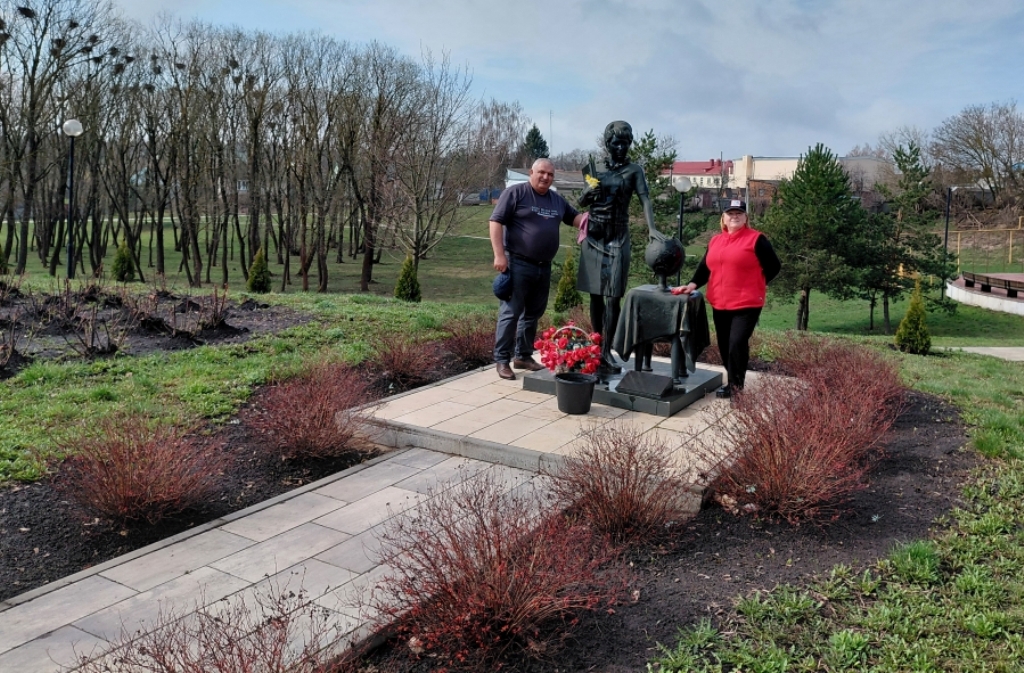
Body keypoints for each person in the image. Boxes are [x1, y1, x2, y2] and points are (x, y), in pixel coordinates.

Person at [577, 120, 666, 375]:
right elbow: (582, 201)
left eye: (625, 143)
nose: (621, 148)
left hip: (618, 235)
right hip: (594, 235)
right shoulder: (594, 168)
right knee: (595, 295)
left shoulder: (634, 170)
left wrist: (651, 228)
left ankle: (608, 350)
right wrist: (587, 193)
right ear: (607, 143)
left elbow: (645, 199)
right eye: (616, 143)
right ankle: (597, 348)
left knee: (613, 295)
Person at [672, 199, 780, 398]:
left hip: (747, 303)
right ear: (723, 217)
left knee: (736, 343)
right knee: (724, 346)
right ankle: (733, 379)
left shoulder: (756, 239)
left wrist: (756, 283)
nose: (734, 216)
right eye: (730, 213)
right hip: (720, 303)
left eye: (739, 213)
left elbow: (774, 266)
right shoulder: (715, 241)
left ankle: (736, 388)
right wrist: (692, 285)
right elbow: (705, 267)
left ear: (746, 217)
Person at [490, 158, 586, 380]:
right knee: (511, 313)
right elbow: (495, 221)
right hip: (517, 263)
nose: (545, 177)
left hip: (543, 266)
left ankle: (523, 356)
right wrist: (499, 255)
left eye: (550, 174)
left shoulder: (556, 200)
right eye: (541, 172)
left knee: (533, 313)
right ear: (531, 172)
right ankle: (502, 360)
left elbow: (575, 218)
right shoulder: (515, 194)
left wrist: (595, 217)